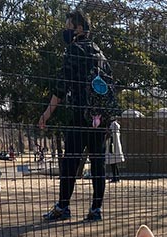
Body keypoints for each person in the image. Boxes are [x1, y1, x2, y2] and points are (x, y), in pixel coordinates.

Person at [39, 9, 117, 222]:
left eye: (68, 26)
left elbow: (61, 86)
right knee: (98, 163)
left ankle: (63, 206)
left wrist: (46, 114)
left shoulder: (74, 50)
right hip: (99, 118)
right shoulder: (101, 55)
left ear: (79, 28)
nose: (65, 31)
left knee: (70, 163)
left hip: (79, 117)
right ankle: (96, 209)